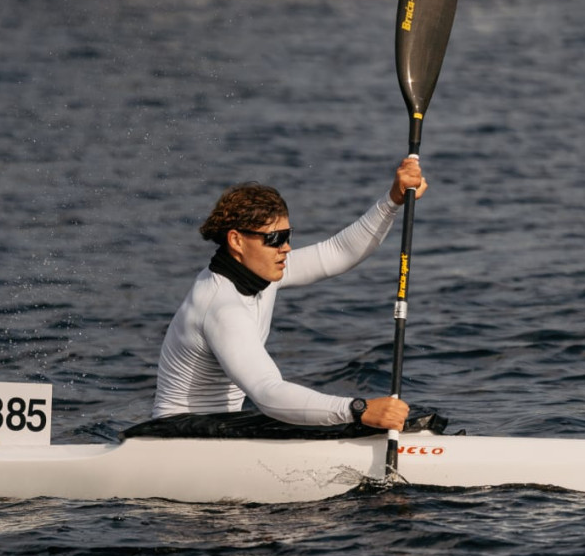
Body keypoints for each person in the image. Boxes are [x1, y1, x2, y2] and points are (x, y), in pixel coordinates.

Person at [152, 157, 427, 431]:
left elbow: (338, 252)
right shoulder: (222, 308)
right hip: (178, 435)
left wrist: (392, 201)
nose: (286, 248)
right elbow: (267, 392)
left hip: (220, 427)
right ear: (236, 241)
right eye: (275, 239)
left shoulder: (260, 272)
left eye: (287, 236)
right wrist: (359, 409)